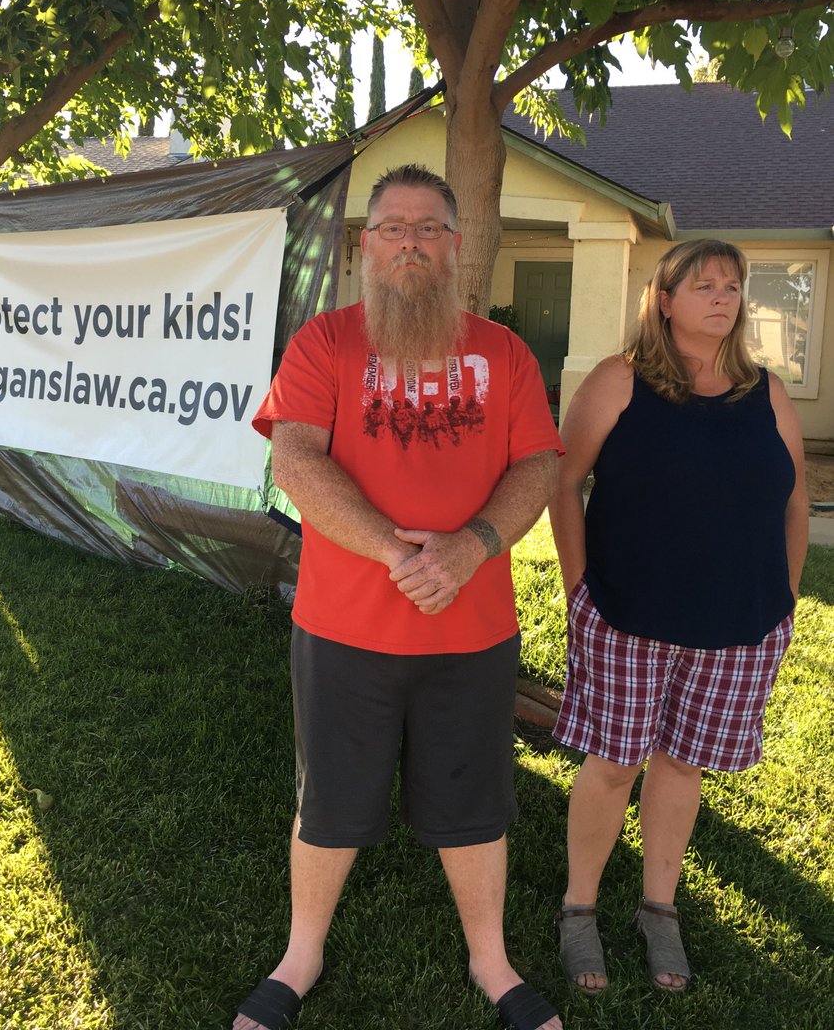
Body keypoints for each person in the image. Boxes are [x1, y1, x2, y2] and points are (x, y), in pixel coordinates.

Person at [236, 164, 564, 1030]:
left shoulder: (504, 353)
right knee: (331, 798)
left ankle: (491, 960)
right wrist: (396, 551)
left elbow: (538, 462)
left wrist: (473, 547)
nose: (411, 242)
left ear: (457, 248)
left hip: (475, 631)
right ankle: (300, 954)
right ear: (367, 245)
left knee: (474, 801)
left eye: (428, 228)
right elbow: (297, 457)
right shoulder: (325, 344)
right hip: (345, 628)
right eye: (392, 227)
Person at [548, 239, 808, 996]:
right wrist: (577, 590)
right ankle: (579, 910)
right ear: (665, 299)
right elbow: (565, 483)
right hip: (627, 614)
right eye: (704, 285)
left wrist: (783, 598)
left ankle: (658, 908)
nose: (722, 297)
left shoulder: (767, 392)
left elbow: (795, 499)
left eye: (732, 286)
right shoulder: (619, 381)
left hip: (739, 626)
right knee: (612, 765)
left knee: (684, 764)